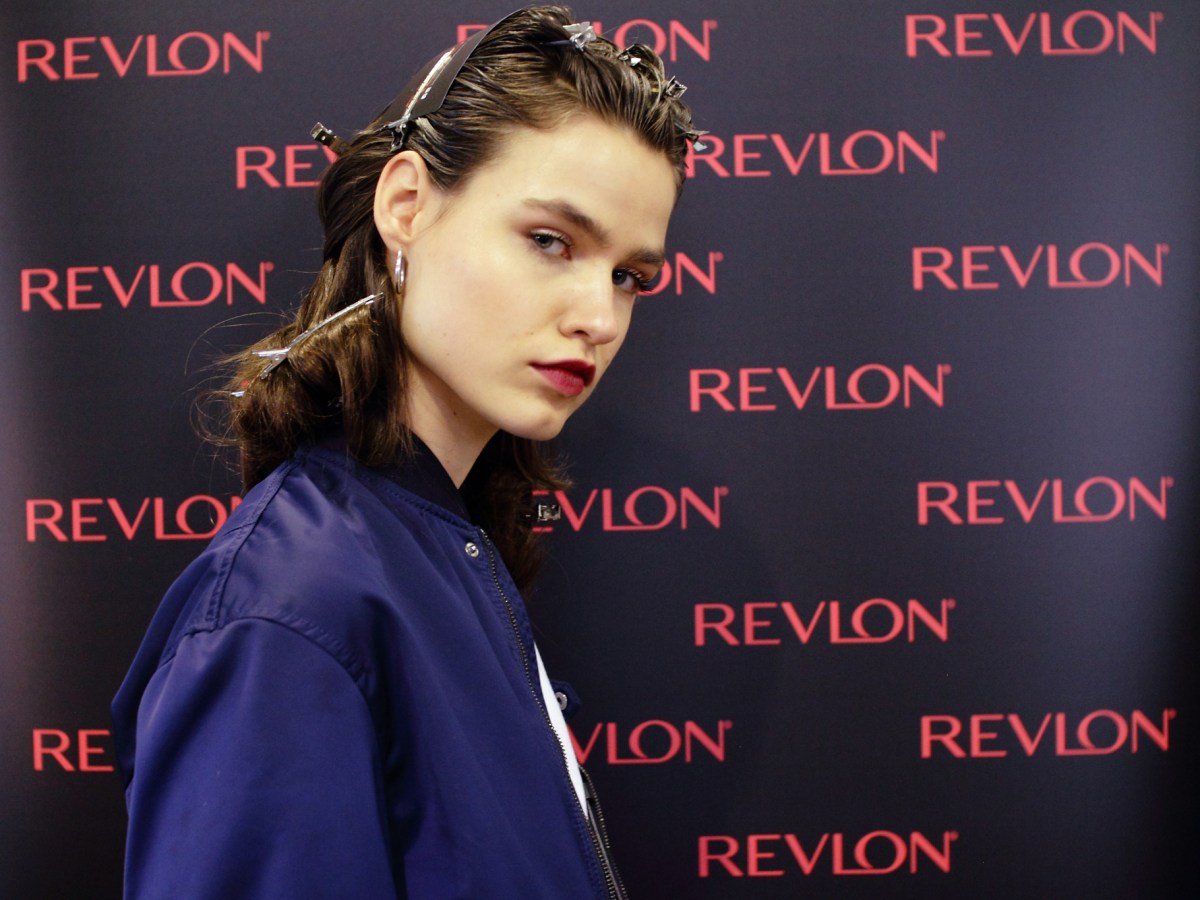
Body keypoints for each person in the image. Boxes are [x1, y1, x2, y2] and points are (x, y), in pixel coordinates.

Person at [111, 6, 700, 898]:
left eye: (628, 276)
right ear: (406, 206)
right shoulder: (290, 606)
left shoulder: (441, 544)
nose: (599, 316)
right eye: (550, 241)